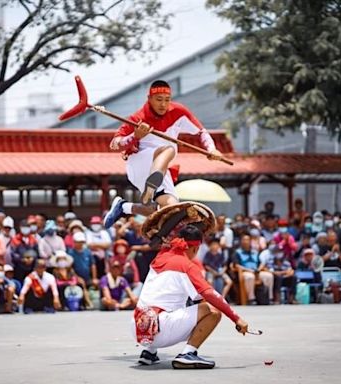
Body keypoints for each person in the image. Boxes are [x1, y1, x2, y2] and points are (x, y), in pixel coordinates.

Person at [103, 80, 224, 228]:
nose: (163, 104)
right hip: (140, 163)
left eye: (167, 100)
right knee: (169, 149)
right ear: (149, 99)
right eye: (159, 100)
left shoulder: (179, 112)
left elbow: (201, 132)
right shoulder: (138, 118)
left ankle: (124, 207)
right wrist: (135, 136)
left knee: (171, 209)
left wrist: (211, 149)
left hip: (162, 168)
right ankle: (152, 186)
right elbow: (115, 143)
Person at [132, 225, 248, 369]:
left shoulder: (161, 256)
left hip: (137, 327)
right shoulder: (187, 266)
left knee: (171, 303)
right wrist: (236, 318)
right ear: (196, 248)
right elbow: (210, 295)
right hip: (160, 330)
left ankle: (149, 353)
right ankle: (188, 354)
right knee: (213, 311)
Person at [233, 235, 274, 305]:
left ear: (250, 241)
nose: (246, 242)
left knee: (269, 276)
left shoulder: (255, 252)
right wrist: (249, 270)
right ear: (241, 241)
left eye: (247, 240)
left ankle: (269, 298)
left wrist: (259, 269)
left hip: (257, 271)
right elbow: (236, 265)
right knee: (250, 277)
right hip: (245, 272)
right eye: (244, 240)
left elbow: (261, 263)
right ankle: (251, 299)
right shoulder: (237, 252)